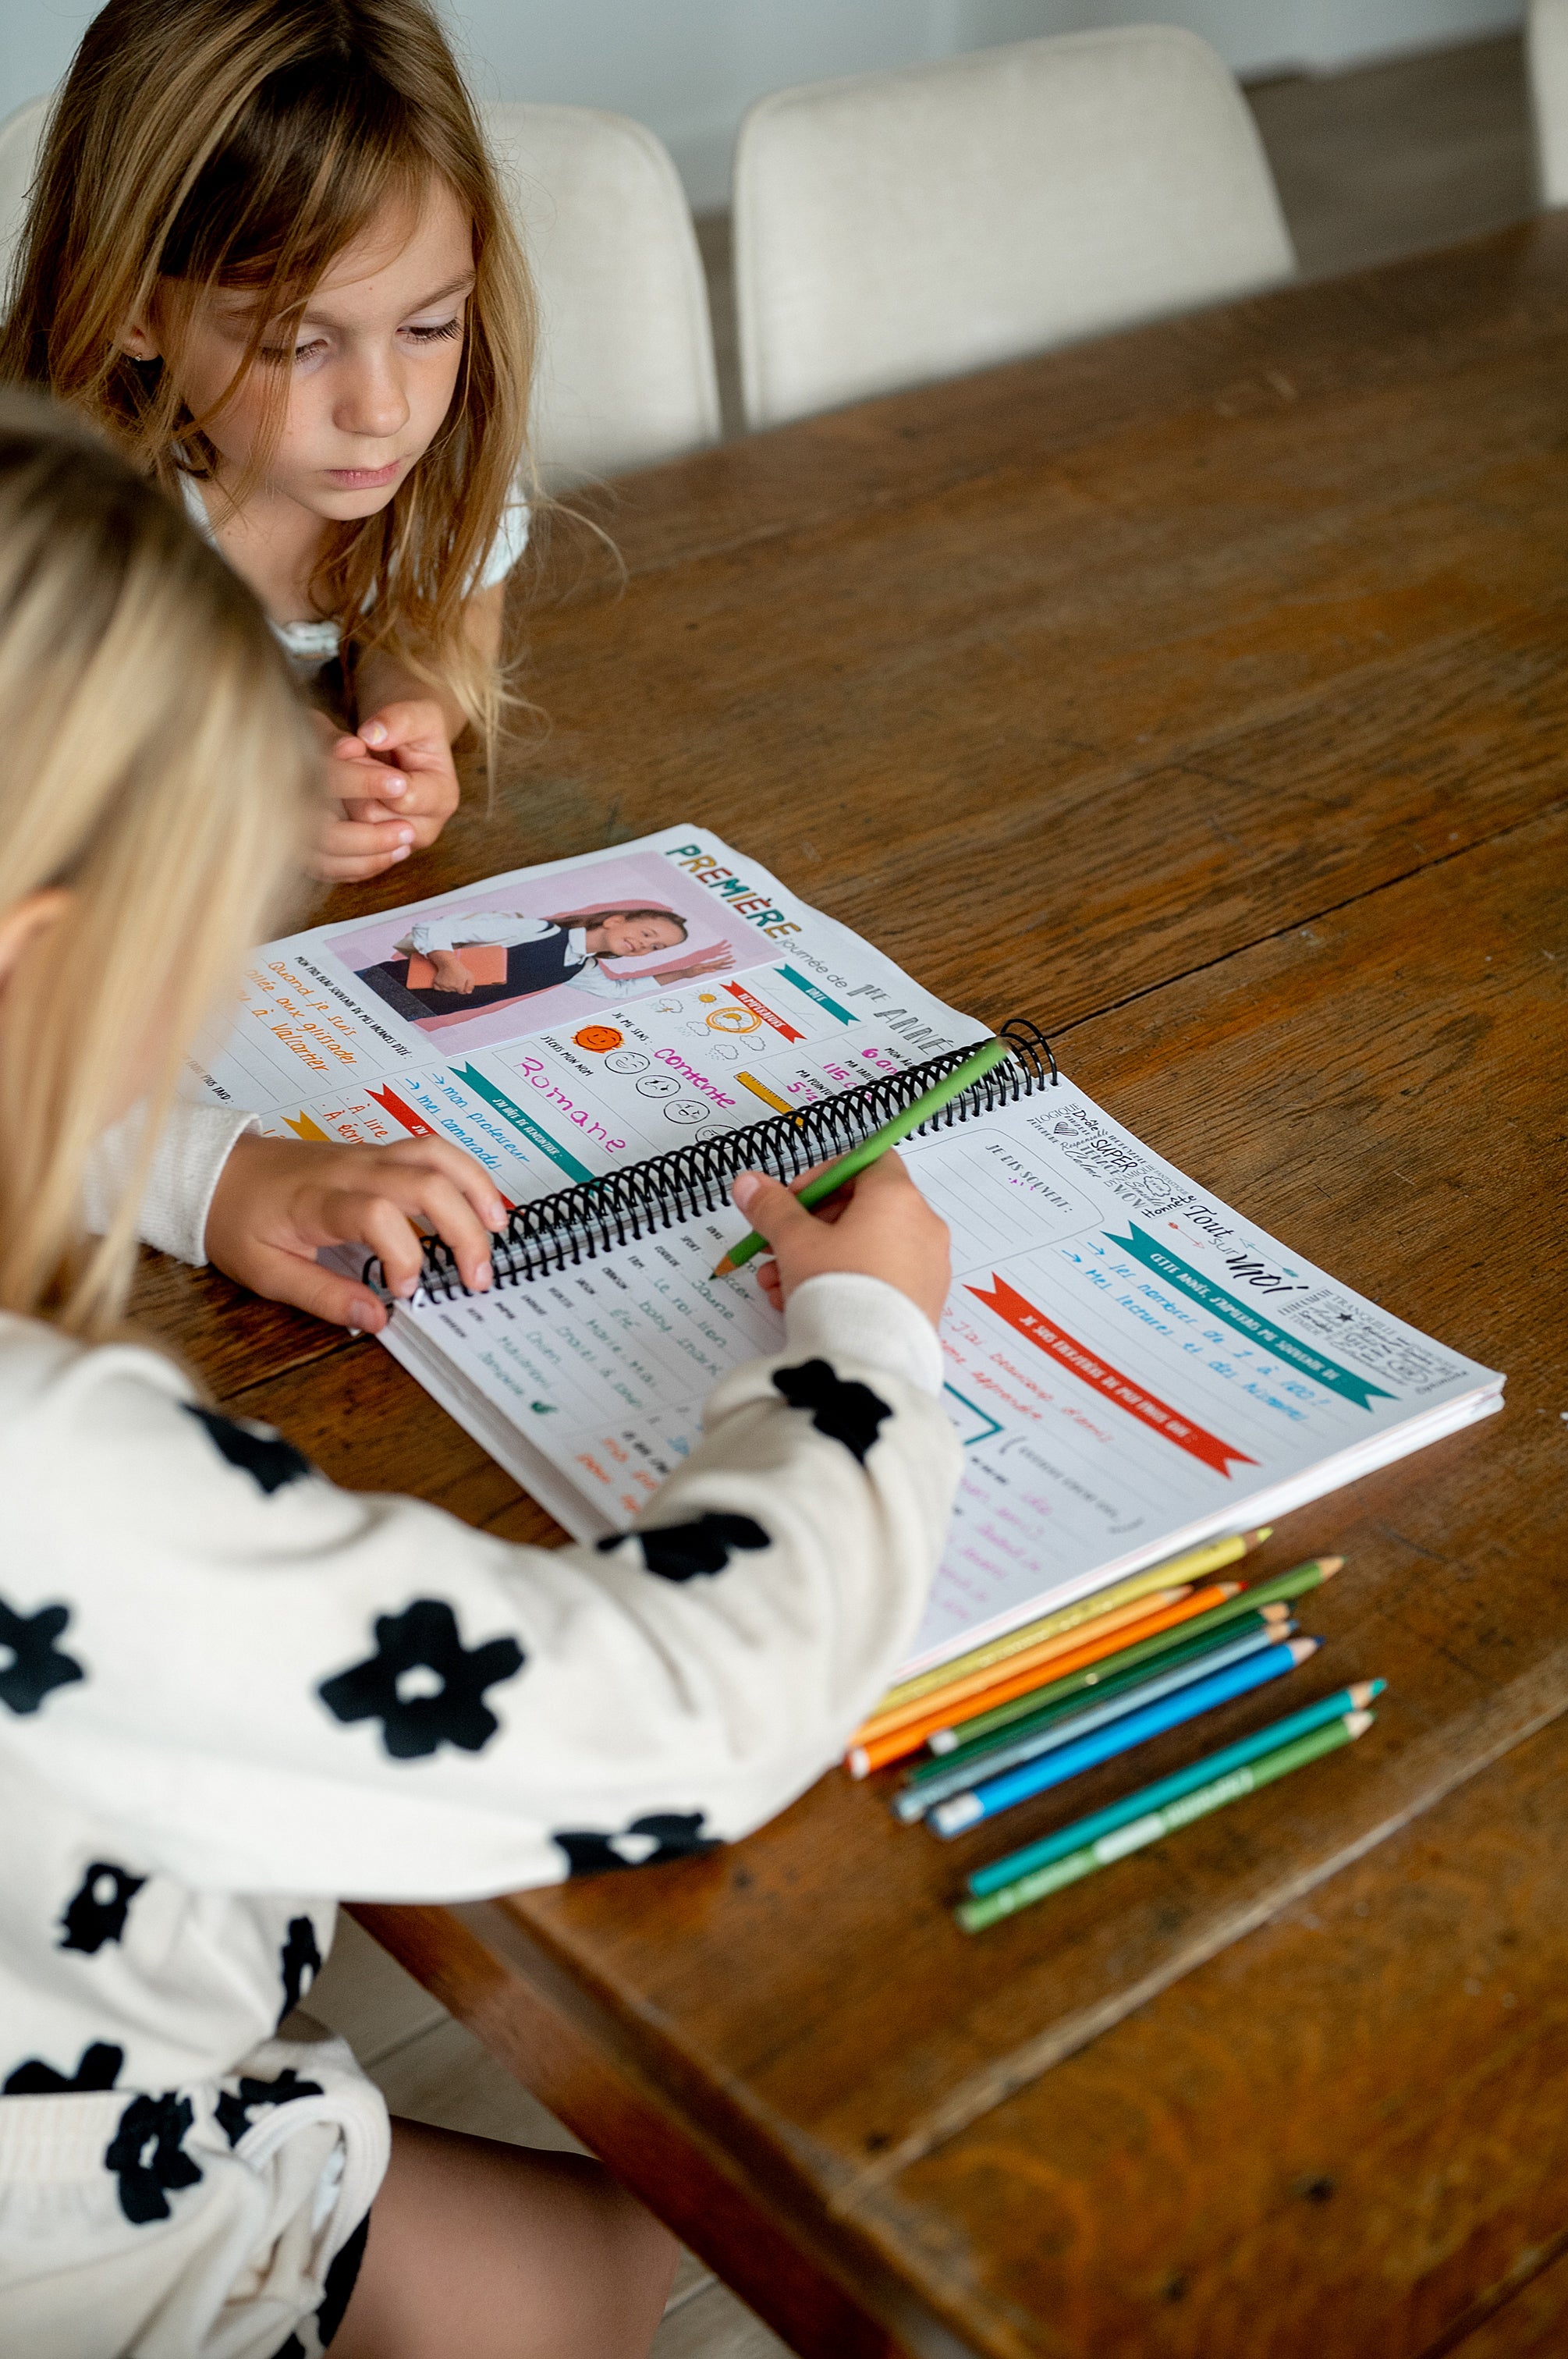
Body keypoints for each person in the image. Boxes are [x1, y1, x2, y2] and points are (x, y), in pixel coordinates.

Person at [0, 396, 959, 2359]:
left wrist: (204, 1164)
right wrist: (870, 1349)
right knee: (670, 2257)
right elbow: (693, 1708)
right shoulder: (56, 1494)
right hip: (86, 2235)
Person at [0, 0, 534, 885]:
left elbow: (448, 624)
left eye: (431, 326)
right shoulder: (61, 512)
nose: (383, 409)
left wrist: (411, 716)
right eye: (297, 346)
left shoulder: (451, 451)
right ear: (137, 310)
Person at [356, 905, 735, 1023]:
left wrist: (683, 973)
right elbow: (433, 928)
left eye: (656, 948)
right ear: (616, 920)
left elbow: (620, 991)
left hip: (413, 1013)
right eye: (649, 933)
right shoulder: (538, 930)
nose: (647, 945)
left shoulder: (580, 968)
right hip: (381, 985)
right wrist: (447, 965)